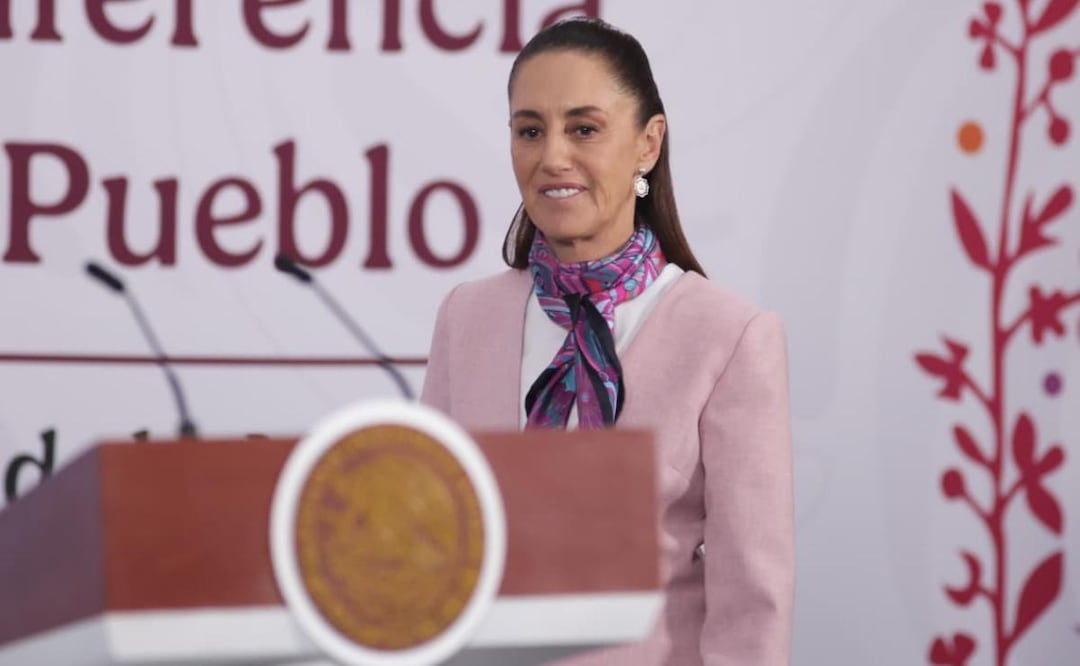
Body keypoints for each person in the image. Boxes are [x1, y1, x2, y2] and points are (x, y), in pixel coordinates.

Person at [421, 17, 793, 666]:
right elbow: (428, 545)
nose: (553, 156)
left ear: (648, 144)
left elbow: (752, 605)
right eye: (530, 130)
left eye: (584, 129)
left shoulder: (730, 336)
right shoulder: (467, 317)